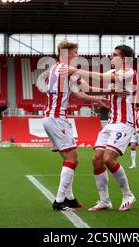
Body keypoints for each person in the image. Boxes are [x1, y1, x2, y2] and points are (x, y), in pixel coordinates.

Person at [43, 40, 115, 211]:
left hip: (54, 118)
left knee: (69, 159)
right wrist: (111, 87)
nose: (76, 55)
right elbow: (87, 84)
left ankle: (69, 198)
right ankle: (59, 201)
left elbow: (78, 93)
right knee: (72, 159)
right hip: (56, 118)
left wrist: (98, 99)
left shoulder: (59, 69)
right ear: (66, 53)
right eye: (75, 52)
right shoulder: (64, 68)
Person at [73, 45, 137, 212]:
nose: (110, 57)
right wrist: (78, 79)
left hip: (124, 122)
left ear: (124, 59)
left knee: (109, 159)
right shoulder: (112, 74)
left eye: (114, 55)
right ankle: (104, 201)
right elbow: (90, 89)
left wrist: (77, 71)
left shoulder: (129, 72)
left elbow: (101, 78)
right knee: (97, 159)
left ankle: (128, 195)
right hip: (110, 123)